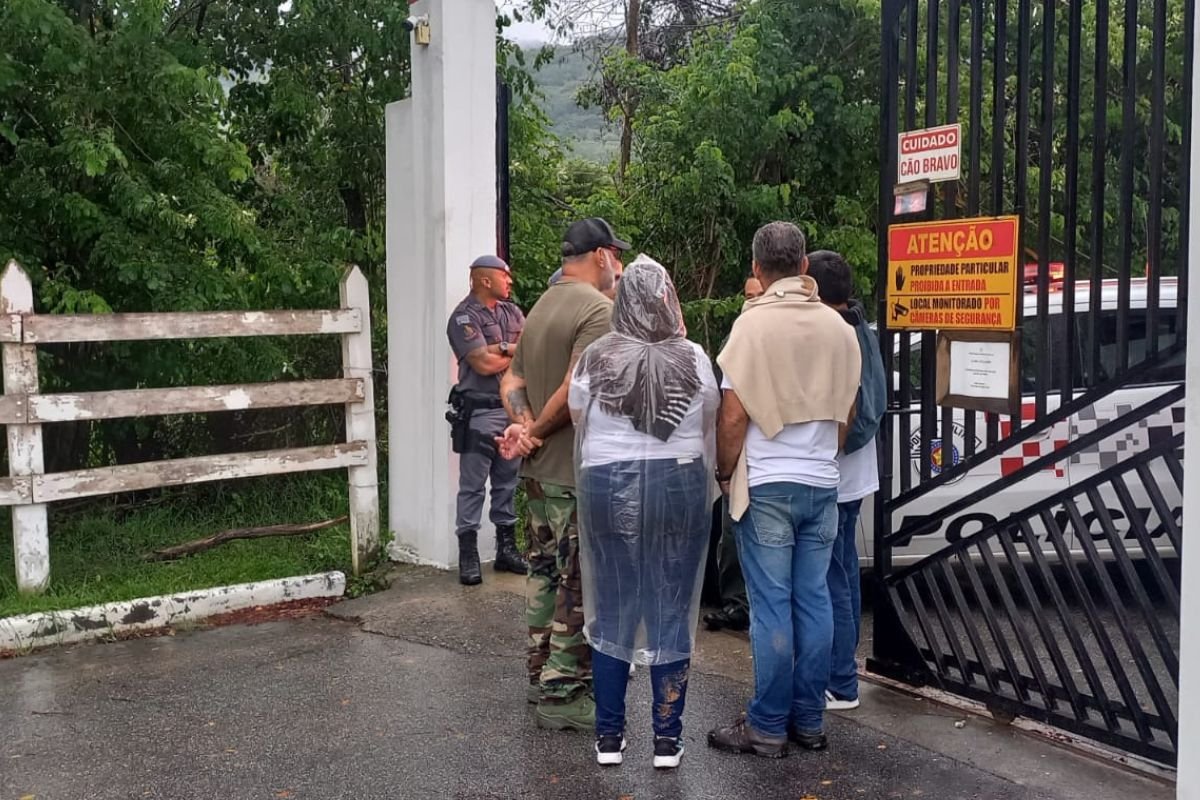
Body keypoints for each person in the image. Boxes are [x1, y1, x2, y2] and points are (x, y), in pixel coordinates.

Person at [706, 222, 861, 758]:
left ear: (756, 270)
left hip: (768, 483)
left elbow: (732, 417)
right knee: (814, 601)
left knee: (772, 607)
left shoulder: (750, 329)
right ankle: (809, 722)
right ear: (802, 267)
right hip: (822, 483)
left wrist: (726, 475)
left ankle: (768, 725)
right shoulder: (840, 328)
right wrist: (825, 456)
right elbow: (849, 410)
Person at [570, 255, 719, 769]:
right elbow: (707, 424)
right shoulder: (694, 357)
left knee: (612, 604)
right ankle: (666, 738)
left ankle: (609, 737)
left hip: (606, 484)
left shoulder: (595, 358)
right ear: (667, 300)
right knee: (670, 606)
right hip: (678, 483)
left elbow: (578, 418)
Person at [498, 217, 629, 731]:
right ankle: (564, 693)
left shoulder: (541, 306)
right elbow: (580, 390)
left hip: (537, 472)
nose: (617, 265)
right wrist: (539, 430)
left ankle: (539, 675)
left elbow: (513, 378)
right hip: (575, 471)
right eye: (615, 256)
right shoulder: (598, 310)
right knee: (579, 585)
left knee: (543, 574)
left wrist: (523, 426)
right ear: (600, 256)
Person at [806, 250, 886, 712]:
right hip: (858, 471)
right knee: (846, 574)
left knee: (832, 577)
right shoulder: (862, 325)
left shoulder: (836, 333)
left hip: (837, 469)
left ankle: (840, 680)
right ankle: (844, 672)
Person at [445, 255, 528, 585]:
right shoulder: (463, 317)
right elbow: (481, 363)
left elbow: (528, 350)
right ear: (484, 280)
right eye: (504, 277)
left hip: (512, 407)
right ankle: (468, 552)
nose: (510, 282)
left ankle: (506, 549)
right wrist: (511, 349)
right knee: (473, 485)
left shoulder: (512, 312)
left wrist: (501, 348)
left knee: (508, 480)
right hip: (479, 411)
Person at [704, 275, 764, 633]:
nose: (752, 301)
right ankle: (736, 604)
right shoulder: (736, 337)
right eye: (747, 296)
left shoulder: (777, 333)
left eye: (758, 295)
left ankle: (754, 606)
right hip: (739, 455)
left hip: (766, 456)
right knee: (732, 534)